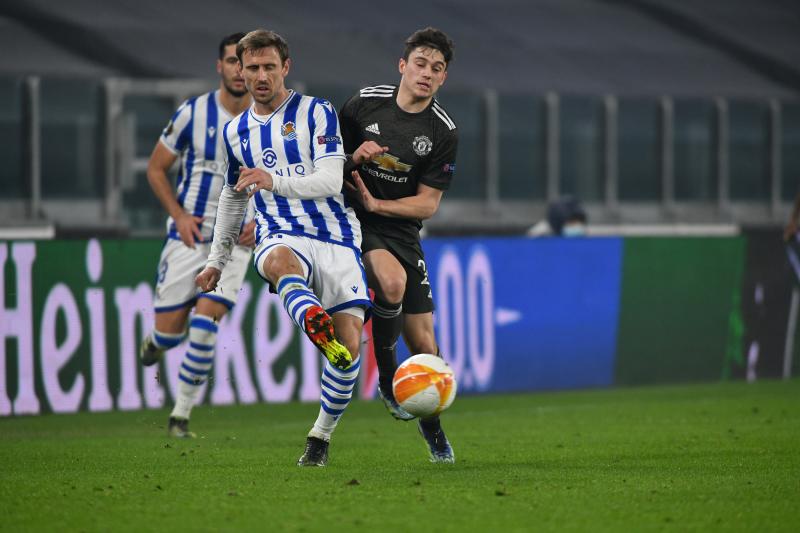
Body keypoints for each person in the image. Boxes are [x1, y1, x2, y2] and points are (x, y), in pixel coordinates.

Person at [195, 29, 369, 467]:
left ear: (285, 68)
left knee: (347, 353)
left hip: (338, 238)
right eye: (250, 67)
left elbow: (331, 180)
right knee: (278, 261)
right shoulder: (235, 132)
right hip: (280, 232)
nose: (260, 75)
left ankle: (320, 439)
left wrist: (272, 180)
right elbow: (234, 197)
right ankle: (310, 314)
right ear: (238, 69)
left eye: (269, 66)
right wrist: (217, 260)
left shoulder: (317, 113)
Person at [338, 27, 458, 463]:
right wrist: (354, 166)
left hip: (399, 226)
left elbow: (427, 204)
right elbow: (327, 155)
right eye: (421, 64)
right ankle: (388, 381)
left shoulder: (442, 131)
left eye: (437, 69)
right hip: (353, 218)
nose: (427, 74)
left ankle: (434, 433)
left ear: (443, 78)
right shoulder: (362, 104)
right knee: (389, 283)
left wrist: (381, 204)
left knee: (426, 347)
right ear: (403, 66)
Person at [139, 32, 256, 439]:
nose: (239, 70)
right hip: (189, 237)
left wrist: (261, 223)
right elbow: (156, 169)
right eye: (231, 61)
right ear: (219, 67)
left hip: (235, 243)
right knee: (170, 335)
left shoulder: (272, 121)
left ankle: (180, 416)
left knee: (207, 323)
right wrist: (179, 214)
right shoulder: (194, 113)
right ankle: (156, 342)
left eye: (246, 62)